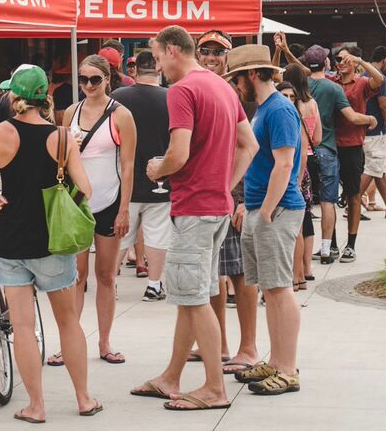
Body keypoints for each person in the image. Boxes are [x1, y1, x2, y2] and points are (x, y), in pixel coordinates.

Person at [0, 65, 102, 422]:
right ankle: (84, 399)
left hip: (10, 240)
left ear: (13, 96)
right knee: (68, 323)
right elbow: (87, 190)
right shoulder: (62, 137)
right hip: (51, 241)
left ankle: (36, 406)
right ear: (46, 96)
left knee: (22, 327)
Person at [131, 25, 258, 412]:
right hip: (214, 206)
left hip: (196, 208)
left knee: (194, 295)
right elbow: (248, 144)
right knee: (192, 294)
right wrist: (224, 184)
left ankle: (213, 388)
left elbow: (178, 154)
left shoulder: (183, 90)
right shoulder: (221, 86)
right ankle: (171, 376)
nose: (157, 65)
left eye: (156, 56)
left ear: (172, 50)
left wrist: (157, 170)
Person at [226, 45, 302, 396]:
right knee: (269, 289)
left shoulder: (280, 109)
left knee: (279, 288)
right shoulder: (264, 109)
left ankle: (287, 368)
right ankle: (276, 361)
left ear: (252, 74)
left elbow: (285, 164)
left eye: (237, 77)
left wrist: (268, 210)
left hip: (277, 209)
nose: (236, 85)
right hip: (259, 207)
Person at [50, 54, 135, 366]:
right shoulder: (71, 112)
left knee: (106, 275)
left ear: (107, 79)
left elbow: (128, 167)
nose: (87, 85)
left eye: (94, 80)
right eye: (82, 79)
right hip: (76, 203)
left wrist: (124, 209)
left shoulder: (121, 115)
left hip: (109, 202)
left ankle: (104, 341)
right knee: (75, 275)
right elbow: (60, 158)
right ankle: (69, 342)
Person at [195, 29, 260, 374]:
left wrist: (243, 198)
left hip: (235, 197)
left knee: (240, 272)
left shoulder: (243, 96)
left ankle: (247, 346)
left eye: (218, 51)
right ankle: (216, 342)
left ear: (228, 57)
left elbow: (252, 150)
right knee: (212, 273)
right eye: (205, 49)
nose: (211, 56)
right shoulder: (194, 89)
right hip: (207, 198)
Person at [296, 44, 373, 264]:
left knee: (305, 202)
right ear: (327, 63)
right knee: (329, 201)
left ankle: (303, 257)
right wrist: (370, 119)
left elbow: (295, 68)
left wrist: (281, 50)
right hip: (328, 147)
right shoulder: (333, 87)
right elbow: (351, 116)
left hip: (304, 150)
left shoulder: (301, 85)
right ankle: (327, 249)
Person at [112, 50, 171, 302]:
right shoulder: (172, 97)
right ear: (158, 68)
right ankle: (154, 284)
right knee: (158, 235)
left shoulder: (117, 98)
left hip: (124, 180)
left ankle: (110, 282)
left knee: (120, 235)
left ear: (134, 70)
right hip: (162, 178)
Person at [329, 45, 384, 263]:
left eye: (345, 59)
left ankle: (350, 245)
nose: (340, 62)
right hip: (331, 145)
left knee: (353, 195)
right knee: (328, 197)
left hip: (352, 145)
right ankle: (330, 243)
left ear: (353, 62)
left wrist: (361, 61)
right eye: (338, 59)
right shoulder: (330, 83)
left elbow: (378, 79)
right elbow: (306, 74)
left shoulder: (361, 83)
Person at [280, 64, 321, 287]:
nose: (288, 99)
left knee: (296, 225)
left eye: (291, 96)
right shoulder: (308, 106)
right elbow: (318, 137)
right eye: (283, 95)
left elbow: (306, 148)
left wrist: (295, 180)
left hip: (296, 174)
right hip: (297, 172)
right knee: (300, 222)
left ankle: (298, 275)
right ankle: (302, 271)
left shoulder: (295, 117)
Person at [359, 46, 386, 218]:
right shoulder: (379, 76)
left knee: (378, 169)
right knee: (372, 169)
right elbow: (383, 105)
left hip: (363, 128)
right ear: (385, 60)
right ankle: (351, 203)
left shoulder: (362, 73)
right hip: (375, 131)